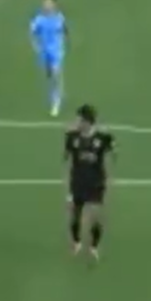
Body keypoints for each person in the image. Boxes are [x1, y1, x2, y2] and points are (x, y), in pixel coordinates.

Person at [64, 104, 114, 261]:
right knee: (74, 215)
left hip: (95, 184)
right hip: (77, 183)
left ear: (87, 122)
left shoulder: (102, 138)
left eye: (79, 120)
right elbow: (66, 157)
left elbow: (113, 153)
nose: (76, 122)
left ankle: (93, 247)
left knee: (95, 217)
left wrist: (111, 147)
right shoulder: (72, 137)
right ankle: (76, 242)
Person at [29, 0, 66, 116]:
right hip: (44, 51)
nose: (46, 5)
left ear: (54, 5)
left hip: (56, 51)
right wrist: (35, 46)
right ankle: (56, 91)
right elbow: (33, 33)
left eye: (49, 3)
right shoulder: (39, 19)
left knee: (56, 74)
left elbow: (63, 30)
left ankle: (56, 101)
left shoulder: (59, 18)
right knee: (49, 74)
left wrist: (62, 43)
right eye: (45, 3)